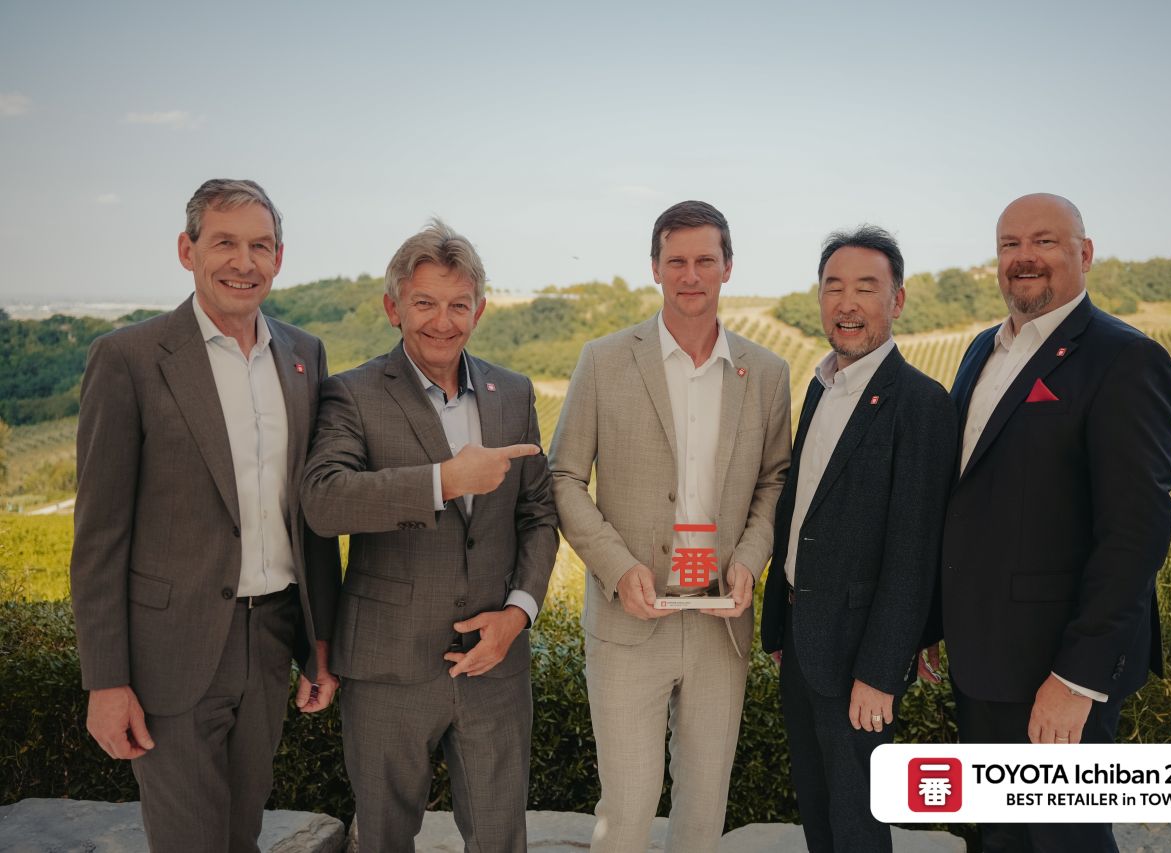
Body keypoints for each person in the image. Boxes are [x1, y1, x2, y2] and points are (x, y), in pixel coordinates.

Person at [69, 179, 342, 853]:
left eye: (260, 246)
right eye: (225, 243)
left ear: (279, 258)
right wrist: (106, 681)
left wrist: (320, 643)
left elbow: (310, 516)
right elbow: (99, 537)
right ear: (187, 250)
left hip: (271, 638)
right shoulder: (128, 358)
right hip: (170, 652)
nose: (243, 263)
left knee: (241, 833)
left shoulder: (304, 356)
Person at [922, 193, 1171, 853]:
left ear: (1084, 253)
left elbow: (1135, 532)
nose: (1024, 257)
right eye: (1009, 245)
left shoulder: (1126, 359)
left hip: (1057, 668)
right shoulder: (980, 350)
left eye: (1044, 241)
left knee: (1064, 838)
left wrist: (1078, 678)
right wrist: (935, 619)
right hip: (982, 659)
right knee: (999, 836)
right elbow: (968, 495)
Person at [300, 219, 558, 853]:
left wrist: (518, 615)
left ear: (480, 310)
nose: (442, 322)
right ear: (393, 308)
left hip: (495, 665)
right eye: (424, 303)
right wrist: (442, 481)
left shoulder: (513, 393)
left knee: (501, 841)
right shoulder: (352, 394)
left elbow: (538, 514)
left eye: (458, 305)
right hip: (388, 668)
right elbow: (323, 501)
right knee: (384, 839)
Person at [549, 200, 791, 851]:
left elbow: (775, 481)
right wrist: (617, 566)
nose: (690, 275)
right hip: (629, 616)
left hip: (720, 621)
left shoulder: (768, 374)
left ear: (728, 267)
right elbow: (563, 477)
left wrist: (750, 559)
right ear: (654, 267)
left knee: (704, 809)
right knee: (627, 809)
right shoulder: (603, 360)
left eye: (705, 260)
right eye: (676, 260)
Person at [760, 226, 956, 852]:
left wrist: (880, 672)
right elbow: (801, 510)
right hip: (803, 641)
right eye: (833, 287)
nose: (847, 303)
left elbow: (913, 555)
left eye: (866, 288)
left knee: (857, 827)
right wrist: (779, 624)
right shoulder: (820, 386)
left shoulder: (920, 403)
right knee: (819, 816)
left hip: (859, 658)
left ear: (897, 301)